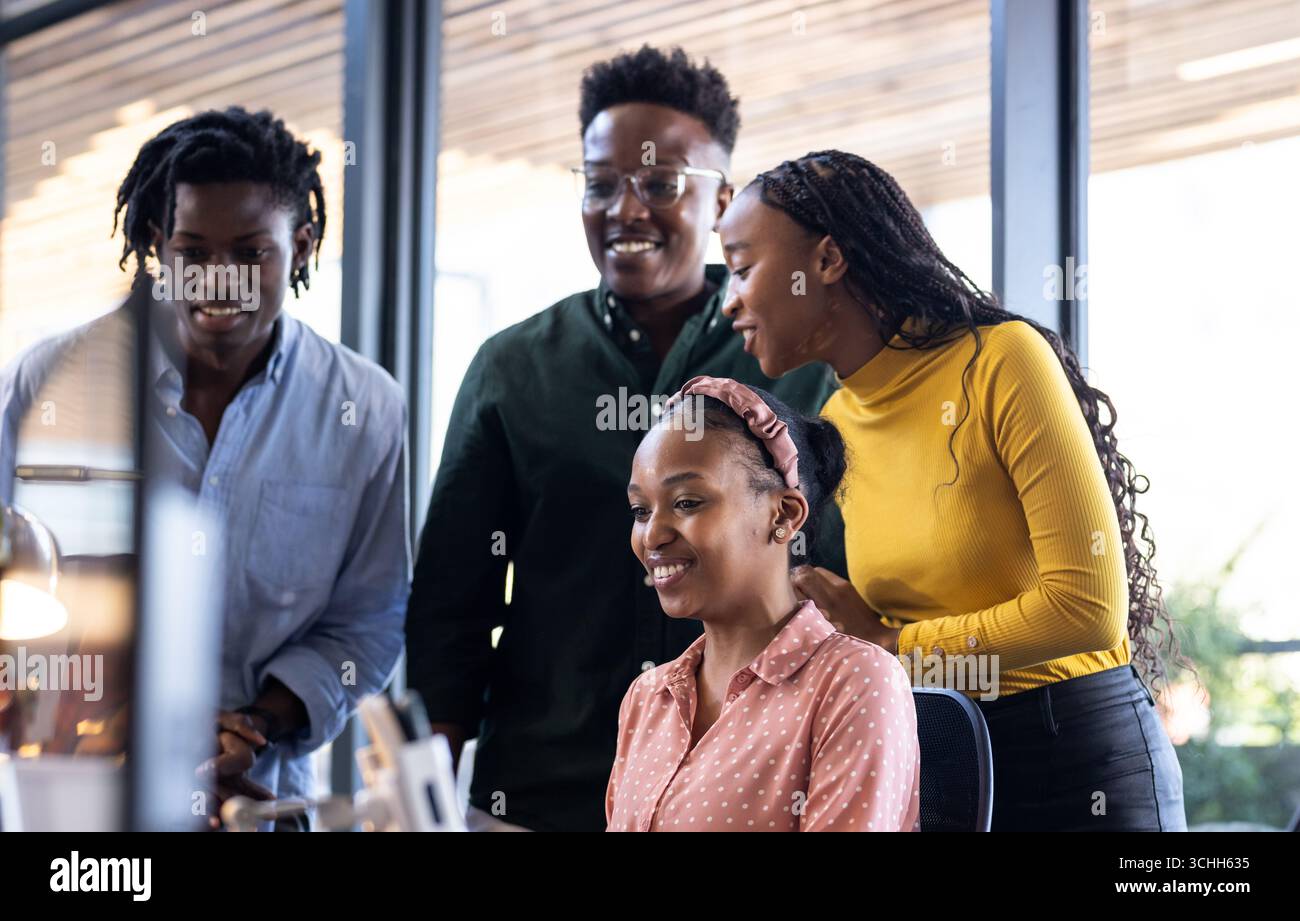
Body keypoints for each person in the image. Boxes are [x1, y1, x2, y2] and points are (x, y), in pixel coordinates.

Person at [405, 47, 842, 832]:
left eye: (661, 184)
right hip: (539, 790)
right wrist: (427, 786)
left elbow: (842, 572)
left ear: (722, 203)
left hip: (748, 789)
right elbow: (450, 601)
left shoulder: (801, 361)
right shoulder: (512, 369)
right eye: (600, 184)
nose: (626, 209)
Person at [715, 149, 1187, 831]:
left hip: (1076, 761)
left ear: (825, 262)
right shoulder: (840, 423)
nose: (729, 300)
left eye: (741, 268)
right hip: (938, 753)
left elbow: (1086, 609)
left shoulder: (1002, 362)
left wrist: (893, 644)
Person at [0, 107, 410, 827]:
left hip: (258, 795)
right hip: (71, 791)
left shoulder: (364, 409)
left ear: (303, 246)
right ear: (159, 244)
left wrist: (251, 726)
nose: (221, 281)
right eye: (193, 252)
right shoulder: (53, 382)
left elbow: (366, 622)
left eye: (252, 253)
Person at [606, 375, 920, 832]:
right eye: (641, 510)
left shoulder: (855, 682)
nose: (653, 535)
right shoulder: (647, 697)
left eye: (687, 502)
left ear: (784, 514)